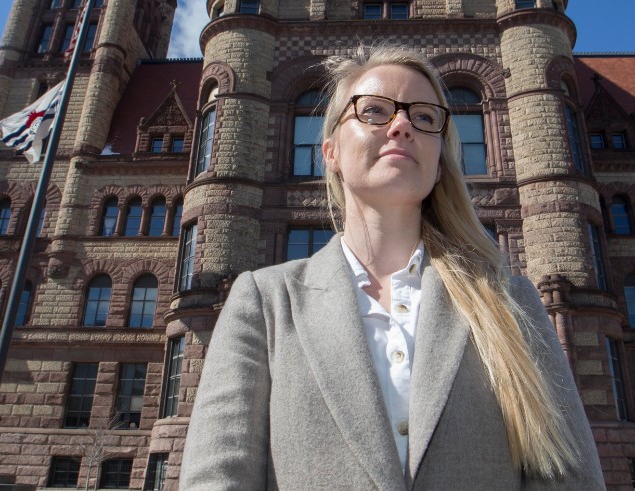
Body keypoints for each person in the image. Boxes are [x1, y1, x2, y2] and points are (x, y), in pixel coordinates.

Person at [181, 45, 605, 490]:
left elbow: (568, 479)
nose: (401, 125)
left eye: (424, 118)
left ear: (440, 164)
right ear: (330, 152)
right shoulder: (264, 303)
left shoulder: (510, 302)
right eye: (375, 111)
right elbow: (217, 478)